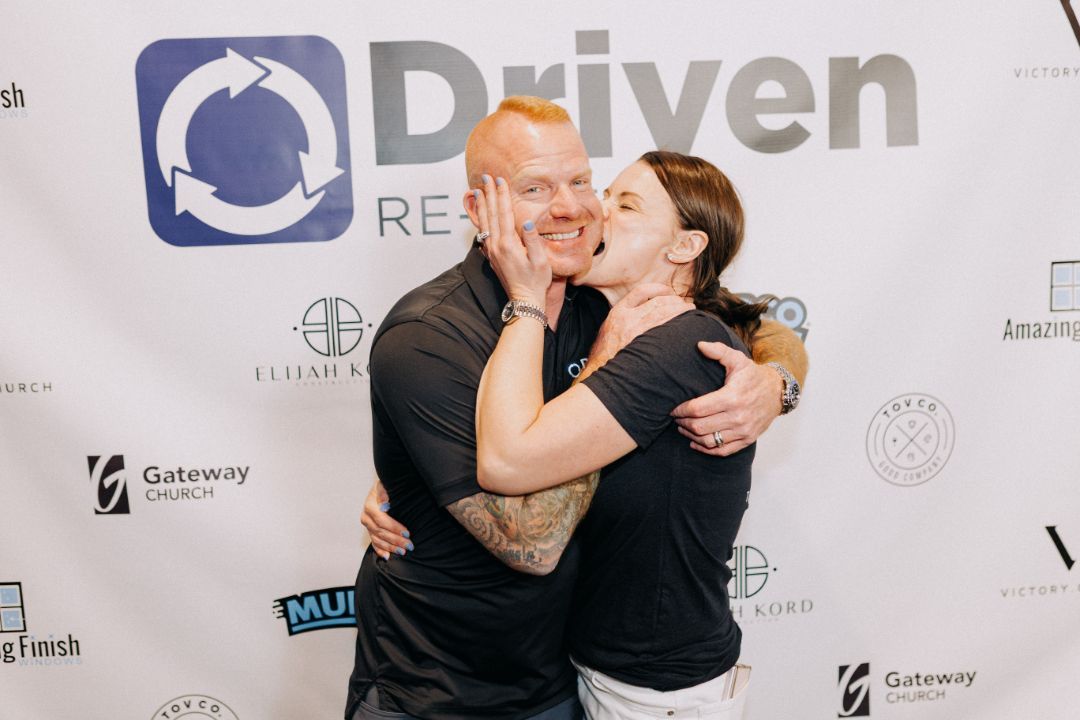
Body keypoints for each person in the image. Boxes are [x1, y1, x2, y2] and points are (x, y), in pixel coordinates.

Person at [348, 96, 807, 720]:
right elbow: (531, 544)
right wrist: (411, 471)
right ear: (481, 208)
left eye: (585, 182)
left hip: (567, 679)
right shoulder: (429, 336)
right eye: (535, 187)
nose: (574, 207)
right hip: (440, 690)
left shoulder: (608, 303)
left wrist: (773, 385)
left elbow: (753, 324)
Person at [472, 150, 764, 718]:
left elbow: (508, 461)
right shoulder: (600, 319)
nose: (596, 212)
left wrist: (777, 385)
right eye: (604, 194)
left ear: (684, 247)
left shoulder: (684, 343)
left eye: (625, 206)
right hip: (600, 667)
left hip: (658, 691)